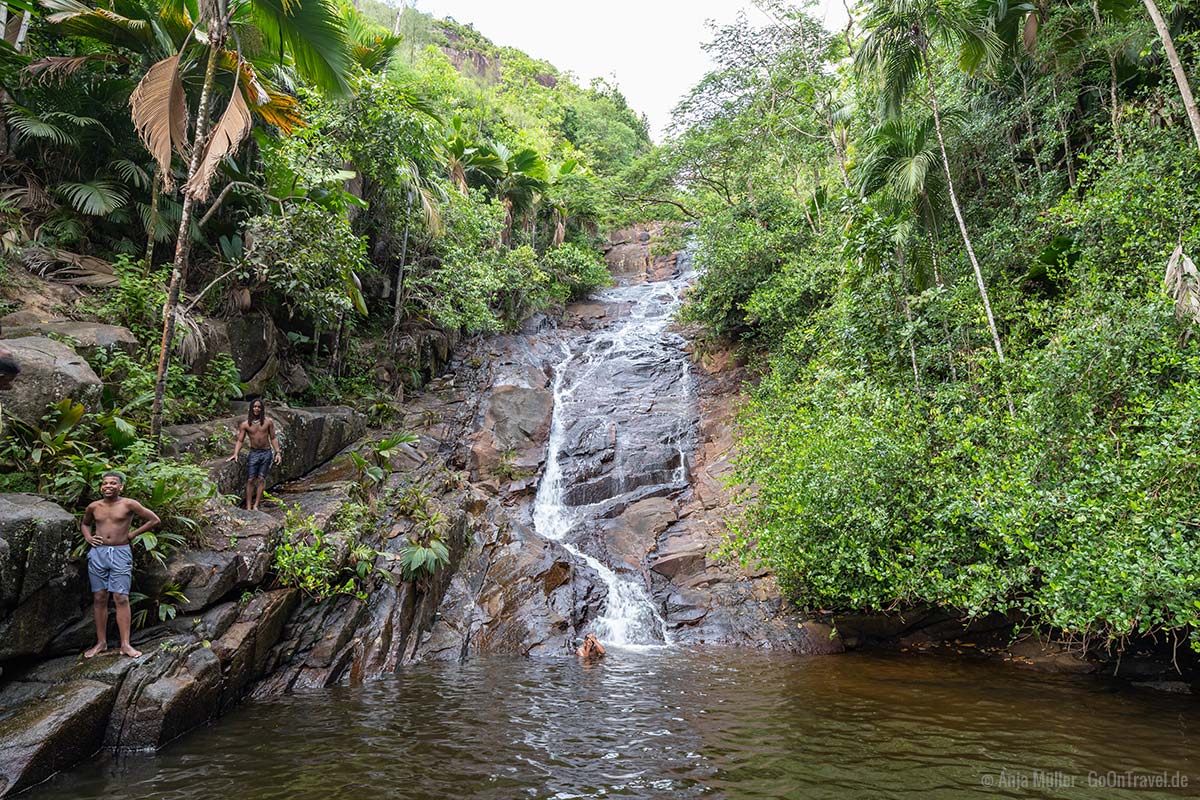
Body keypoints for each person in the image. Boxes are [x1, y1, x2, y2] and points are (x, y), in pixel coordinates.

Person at [81, 472, 160, 659]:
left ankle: (125, 644)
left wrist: (132, 534)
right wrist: (89, 537)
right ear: (101, 487)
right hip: (98, 554)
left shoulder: (128, 504)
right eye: (105, 483)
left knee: (121, 597)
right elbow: (85, 524)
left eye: (113, 483)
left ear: (121, 487)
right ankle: (101, 643)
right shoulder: (94, 506)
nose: (108, 486)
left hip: (120, 552)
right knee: (100, 597)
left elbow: (154, 519)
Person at [227, 398, 281, 511]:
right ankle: (248, 505)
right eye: (255, 406)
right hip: (254, 453)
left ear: (262, 409)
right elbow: (240, 440)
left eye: (259, 407)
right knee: (251, 479)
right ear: (251, 408)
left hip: (266, 453)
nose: (257, 409)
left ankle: (256, 504)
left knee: (261, 478)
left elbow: (273, 438)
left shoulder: (268, 422)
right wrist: (235, 453)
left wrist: (278, 452)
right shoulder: (245, 424)